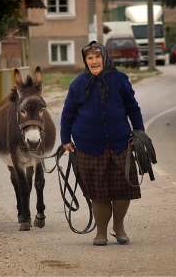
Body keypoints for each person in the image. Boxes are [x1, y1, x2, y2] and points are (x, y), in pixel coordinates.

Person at [60, 41, 144, 246]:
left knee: (123, 189)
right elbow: (68, 114)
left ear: (105, 58)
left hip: (120, 144)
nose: (94, 61)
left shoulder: (120, 79)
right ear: (85, 61)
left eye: (97, 57)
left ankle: (119, 227)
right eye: (90, 58)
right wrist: (65, 140)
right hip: (89, 147)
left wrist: (139, 134)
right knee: (98, 192)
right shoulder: (77, 84)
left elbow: (133, 108)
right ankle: (101, 232)